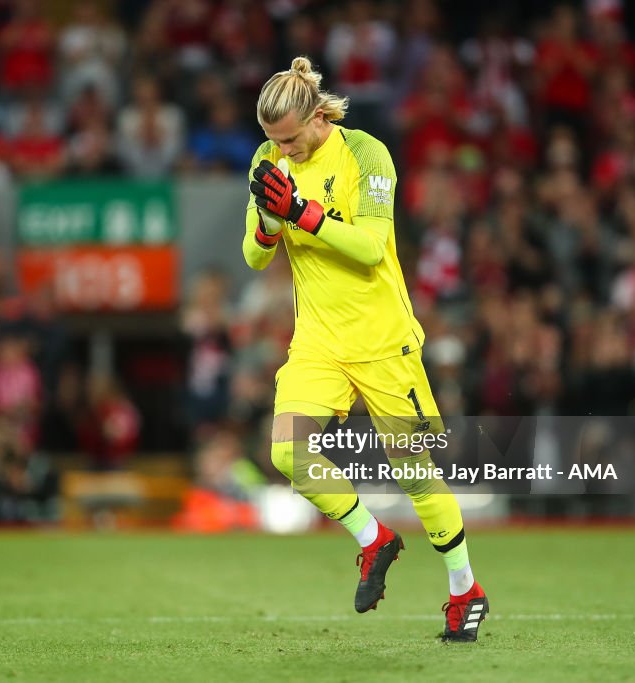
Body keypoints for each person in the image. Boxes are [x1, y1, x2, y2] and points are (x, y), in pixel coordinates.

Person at [243, 57, 488, 642]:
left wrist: (299, 212)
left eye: (292, 139)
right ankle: (372, 537)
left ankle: (464, 589)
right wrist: (270, 224)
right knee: (286, 454)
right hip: (318, 342)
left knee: (415, 470)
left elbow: (372, 248)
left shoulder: (367, 153)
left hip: (384, 342)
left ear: (318, 116)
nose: (284, 152)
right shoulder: (267, 157)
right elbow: (255, 256)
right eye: (273, 142)